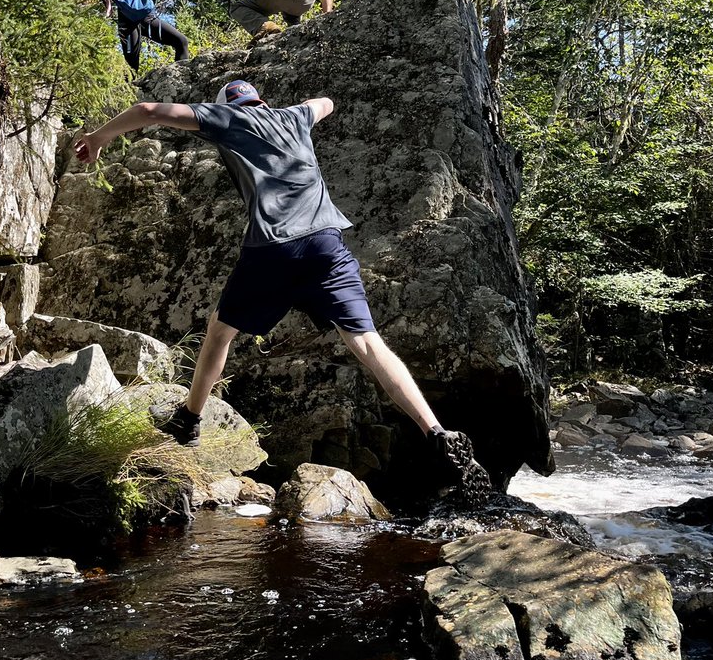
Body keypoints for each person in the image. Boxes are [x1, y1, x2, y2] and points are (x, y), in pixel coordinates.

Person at [74, 79, 492, 508]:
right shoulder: (292, 116)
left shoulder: (228, 118)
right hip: (327, 243)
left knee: (220, 331)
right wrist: (307, 110)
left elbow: (148, 110)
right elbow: (326, 100)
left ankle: (188, 421)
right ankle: (436, 433)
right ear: (263, 102)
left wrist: (97, 137)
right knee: (367, 342)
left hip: (273, 247)